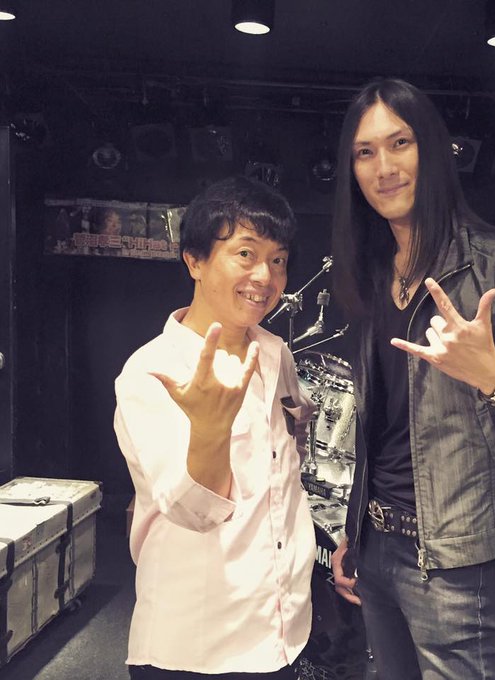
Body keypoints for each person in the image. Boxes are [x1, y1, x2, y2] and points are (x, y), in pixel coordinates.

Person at [329, 78, 495, 679]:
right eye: (365, 152)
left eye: (400, 143)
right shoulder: (372, 271)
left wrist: (492, 377)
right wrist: (353, 529)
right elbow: (381, 429)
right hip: (376, 544)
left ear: (432, 150)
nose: (384, 167)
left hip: (452, 559)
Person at [114, 176, 316, 679]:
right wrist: (210, 430)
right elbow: (193, 512)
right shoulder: (152, 371)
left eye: (278, 260)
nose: (264, 276)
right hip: (196, 645)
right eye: (245, 254)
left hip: (283, 631)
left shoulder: (274, 353)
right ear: (195, 261)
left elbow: (286, 464)